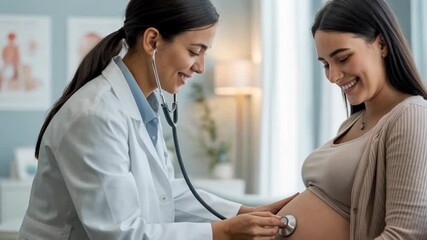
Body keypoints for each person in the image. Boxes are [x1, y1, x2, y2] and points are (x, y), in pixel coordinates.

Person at [18, 0, 297, 239]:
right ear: (152, 40)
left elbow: (166, 194)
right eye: (193, 51)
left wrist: (244, 212)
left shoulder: (141, 106)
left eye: (204, 53)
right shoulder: (95, 116)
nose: (200, 67)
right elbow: (120, 233)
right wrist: (222, 232)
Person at [275, 0, 427, 239]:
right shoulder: (353, 123)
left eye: (343, 58)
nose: (333, 76)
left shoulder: (411, 116)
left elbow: (405, 235)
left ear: (382, 44)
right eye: (326, 64)